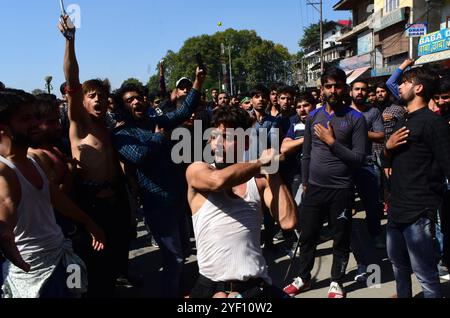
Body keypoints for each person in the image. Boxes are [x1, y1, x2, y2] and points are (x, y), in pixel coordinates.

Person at [0, 89, 105, 298]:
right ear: (3, 128)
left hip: (62, 257)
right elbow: (5, 222)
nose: (36, 125)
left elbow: (57, 199)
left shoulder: (32, 161)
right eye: (25, 119)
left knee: (78, 293)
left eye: (35, 117)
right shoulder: (4, 172)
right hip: (34, 274)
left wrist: (89, 222)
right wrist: (11, 251)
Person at [113, 67, 205, 298]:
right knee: (173, 257)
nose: (136, 102)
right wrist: (157, 137)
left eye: (138, 98)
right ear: (122, 106)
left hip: (177, 200)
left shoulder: (156, 120)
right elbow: (138, 156)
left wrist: (197, 82)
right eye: (129, 100)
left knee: (183, 250)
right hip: (156, 206)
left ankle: (179, 287)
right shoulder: (122, 134)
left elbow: (183, 112)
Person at [186, 106, 297, 298]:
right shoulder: (197, 170)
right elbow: (218, 181)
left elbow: (288, 222)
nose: (218, 143)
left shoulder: (260, 181)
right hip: (212, 288)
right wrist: (261, 162)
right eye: (214, 137)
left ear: (245, 142)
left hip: (255, 286)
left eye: (227, 137)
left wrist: (273, 170)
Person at [58, 15, 132, 298]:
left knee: (114, 262)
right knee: (95, 268)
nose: (98, 99)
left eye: (101, 94)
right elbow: (72, 78)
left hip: (118, 204)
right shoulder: (79, 123)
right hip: (91, 208)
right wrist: (70, 41)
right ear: (81, 100)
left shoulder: (108, 127)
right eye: (92, 95)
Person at [283, 67, 367, 298]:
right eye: (328, 86)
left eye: (337, 85)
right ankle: (304, 278)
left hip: (341, 190)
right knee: (308, 237)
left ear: (344, 88)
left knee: (340, 239)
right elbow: (307, 154)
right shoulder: (313, 117)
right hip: (314, 189)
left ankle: (337, 282)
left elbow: (358, 159)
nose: (333, 90)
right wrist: (306, 182)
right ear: (321, 89)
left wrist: (331, 141)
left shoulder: (356, 119)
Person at [382, 66, 450, 298]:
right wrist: (388, 148)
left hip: (419, 211)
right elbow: (388, 162)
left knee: (426, 275)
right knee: (398, 268)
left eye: (405, 82)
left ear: (418, 88)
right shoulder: (404, 120)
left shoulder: (433, 123)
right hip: (396, 209)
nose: (399, 86)